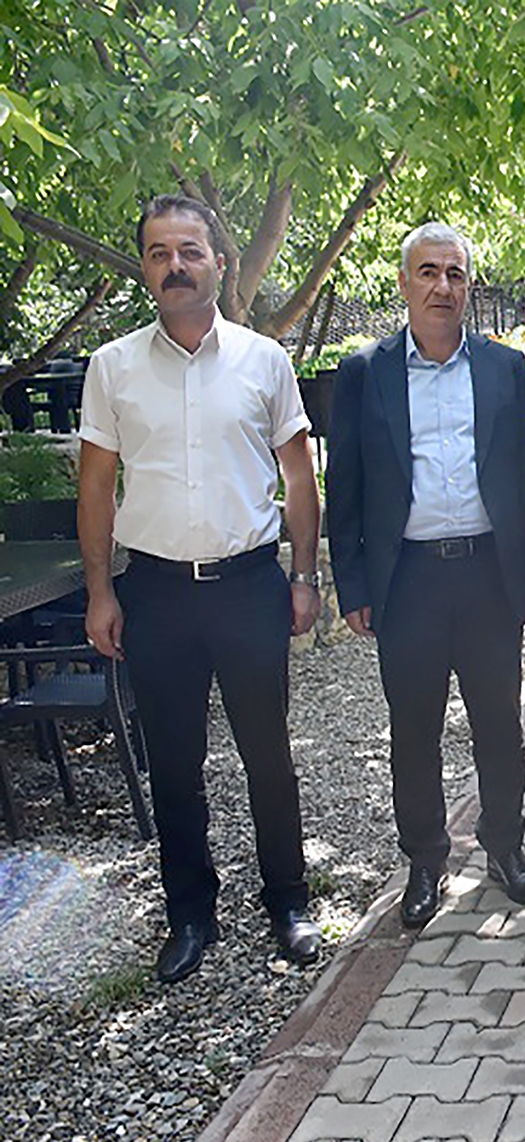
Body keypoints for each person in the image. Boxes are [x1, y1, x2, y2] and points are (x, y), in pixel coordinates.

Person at [78, 194, 323, 983]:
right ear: (144, 268)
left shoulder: (264, 360)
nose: (175, 265)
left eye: (189, 250)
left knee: (268, 756)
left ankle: (288, 900)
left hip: (248, 585)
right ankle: (189, 914)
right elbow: (96, 486)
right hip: (155, 592)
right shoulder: (113, 367)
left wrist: (304, 575)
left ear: (219, 259)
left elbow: (299, 477)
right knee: (174, 763)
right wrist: (99, 591)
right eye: (159, 253)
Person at [326, 222, 525, 929]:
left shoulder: (503, 368)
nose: (442, 286)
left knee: (499, 723)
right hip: (409, 581)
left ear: (468, 285)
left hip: (488, 574)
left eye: (454, 273)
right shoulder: (365, 372)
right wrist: (353, 585)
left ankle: (505, 846)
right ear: (404, 283)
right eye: (427, 272)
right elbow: (346, 485)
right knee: (414, 729)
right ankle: (425, 861)